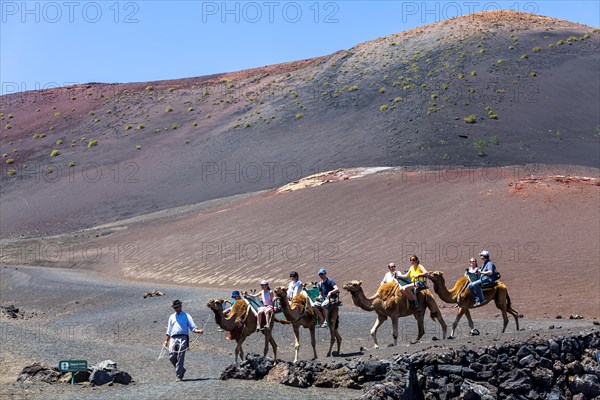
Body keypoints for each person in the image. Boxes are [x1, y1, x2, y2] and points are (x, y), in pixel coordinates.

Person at [164, 299, 204, 382]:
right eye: (175, 307)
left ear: (181, 306)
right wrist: (166, 341)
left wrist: (198, 331)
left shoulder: (187, 316)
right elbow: (169, 330)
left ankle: (179, 375)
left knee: (180, 356)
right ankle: (181, 369)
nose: (176, 309)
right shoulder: (171, 317)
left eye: (177, 307)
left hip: (183, 337)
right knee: (171, 356)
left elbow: (192, 327)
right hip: (173, 338)